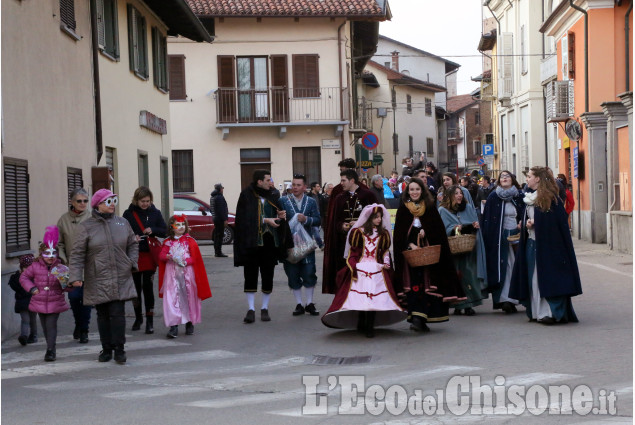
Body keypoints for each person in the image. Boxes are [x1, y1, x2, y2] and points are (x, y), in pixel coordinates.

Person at [69, 189, 138, 364]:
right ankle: (107, 348)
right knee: (102, 314)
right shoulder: (86, 227)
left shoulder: (123, 223)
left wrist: (131, 262)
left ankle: (119, 349)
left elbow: (132, 244)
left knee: (117, 313)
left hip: (120, 275)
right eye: (108, 201)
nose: (112, 204)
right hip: (97, 276)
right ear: (98, 205)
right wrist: (75, 276)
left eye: (113, 200)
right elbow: (77, 254)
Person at [509, 167, 582, 324]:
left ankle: (551, 312)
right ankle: (537, 312)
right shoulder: (529, 198)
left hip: (549, 247)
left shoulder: (551, 199)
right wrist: (526, 223)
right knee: (533, 279)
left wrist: (536, 223)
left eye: (529, 176)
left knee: (549, 279)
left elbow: (557, 223)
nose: (527, 179)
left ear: (538, 179)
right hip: (531, 244)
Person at [322, 204, 406, 338]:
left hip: (377, 268)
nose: (379, 219)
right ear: (369, 218)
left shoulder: (383, 234)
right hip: (361, 267)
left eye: (380, 217)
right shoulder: (359, 232)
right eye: (376, 217)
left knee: (374, 298)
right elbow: (353, 251)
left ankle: (369, 325)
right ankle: (361, 322)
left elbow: (383, 251)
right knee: (360, 298)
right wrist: (354, 265)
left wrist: (386, 263)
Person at [393, 179, 465, 332]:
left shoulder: (430, 208)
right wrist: (410, 244)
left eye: (417, 189)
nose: (414, 192)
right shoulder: (403, 209)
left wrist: (428, 232)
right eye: (411, 190)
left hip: (429, 256)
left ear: (422, 191)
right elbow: (398, 236)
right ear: (407, 192)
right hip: (410, 257)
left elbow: (438, 232)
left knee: (428, 286)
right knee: (414, 286)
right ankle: (417, 318)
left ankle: (424, 318)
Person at [233, 169, 292, 324]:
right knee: (250, 274)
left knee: (268, 274)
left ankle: (265, 308)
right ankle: (251, 309)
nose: (270, 182)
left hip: (270, 242)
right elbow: (244, 218)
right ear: (259, 181)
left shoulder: (273, 195)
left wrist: (280, 216)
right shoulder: (246, 194)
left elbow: (278, 213)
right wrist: (266, 220)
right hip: (252, 242)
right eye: (268, 180)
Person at [20, 227, 75, 361]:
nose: (50, 257)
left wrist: (68, 285)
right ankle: (50, 345)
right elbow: (23, 278)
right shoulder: (35, 266)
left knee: (51, 325)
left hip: (55, 301)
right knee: (44, 326)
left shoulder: (61, 267)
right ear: (41, 254)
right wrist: (32, 288)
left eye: (53, 253)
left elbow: (67, 287)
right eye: (47, 253)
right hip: (39, 300)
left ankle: (51, 350)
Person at [322, 169, 377, 294]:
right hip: (344, 243)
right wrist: (343, 226)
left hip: (365, 243)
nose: (341, 183)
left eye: (343, 180)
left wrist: (360, 224)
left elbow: (377, 218)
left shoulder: (368, 195)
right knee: (346, 271)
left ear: (352, 180)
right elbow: (335, 221)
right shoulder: (339, 198)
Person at [158, 215, 212, 338]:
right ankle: (174, 326)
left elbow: (195, 258)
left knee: (189, 297)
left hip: (188, 274)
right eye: (178, 225)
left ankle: (189, 322)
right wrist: (170, 257)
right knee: (172, 299)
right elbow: (161, 256)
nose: (181, 227)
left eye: (183, 225)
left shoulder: (190, 241)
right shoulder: (168, 242)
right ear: (172, 227)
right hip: (172, 275)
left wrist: (185, 260)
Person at [123, 187, 167, 334]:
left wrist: (152, 230)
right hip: (134, 254)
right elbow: (122, 233)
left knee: (148, 287)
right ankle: (138, 317)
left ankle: (149, 320)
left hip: (149, 255)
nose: (145, 204)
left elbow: (165, 230)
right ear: (136, 200)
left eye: (148, 201)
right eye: (142, 201)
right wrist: (132, 238)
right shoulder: (128, 214)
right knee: (135, 289)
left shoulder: (155, 213)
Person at [438, 186, 488, 316]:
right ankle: (457, 305)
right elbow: (443, 229)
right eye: (456, 193)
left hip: (468, 247)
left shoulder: (468, 208)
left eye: (461, 193)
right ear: (449, 196)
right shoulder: (443, 210)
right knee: (456, 275)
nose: (459, 196)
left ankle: (469, 304)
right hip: (452, 249)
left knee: (469, 275)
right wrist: (454, 228)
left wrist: (474, 226)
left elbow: (473, 224)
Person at [482, 171, 524, 313]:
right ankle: (505, 299)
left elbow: (525, 214)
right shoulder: (494, 196)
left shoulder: (519, 196)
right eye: (502, 177)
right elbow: (487, 219)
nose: (504, 178)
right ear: (499, 181)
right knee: (503, 267)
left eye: (507, 176)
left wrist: (521, 225)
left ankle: (517, 297)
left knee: (516, 266)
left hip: (516, 235)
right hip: (499, 237)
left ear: (512, 179)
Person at [280, 175, 321, 316]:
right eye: (293, 184)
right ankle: (299, 304)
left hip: (307, 243)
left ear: (304, 187)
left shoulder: (310, 201)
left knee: (309, 272)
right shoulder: (283, 201)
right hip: (289, 244)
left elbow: (317, 219)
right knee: (292, 273)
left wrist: (306, 219)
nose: (295, 187)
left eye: (298, 185)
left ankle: (309, 303)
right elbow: (278, 220)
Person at [56, 188, 92, 343]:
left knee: (86, 299)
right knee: (74, 297)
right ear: (72, 202)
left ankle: (84, 329)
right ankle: (78, 323)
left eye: (85, 201)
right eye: (79, 201)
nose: (82, 203)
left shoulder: (92, 218)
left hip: (89, 265)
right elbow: (59, 243)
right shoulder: (63, 220)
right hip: (71, 266)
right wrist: (64, 260)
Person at [8, 254, 37, 346]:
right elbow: (15, 286)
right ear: (22, 267)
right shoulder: (17, 277)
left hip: (33, 302)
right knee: (25, 319)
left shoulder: (35, 277)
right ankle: (24, 336)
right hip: (22, 303)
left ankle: (33, 335)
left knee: (32, 319)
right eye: (26, 268)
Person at [210, 183, 229, 257]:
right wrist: (225, 219)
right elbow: (222, 210)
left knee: (216, 235)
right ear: (220, 189)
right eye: (222, 188)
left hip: (215, 218)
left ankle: (217, 251)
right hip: (219, 219)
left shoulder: (212, 197)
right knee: (220, 236)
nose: (223, 190)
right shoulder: (219, 197)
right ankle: (219, 252)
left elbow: (211, 209)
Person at [307, 181, 326, 249]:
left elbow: (323, 206)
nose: (319, 188)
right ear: (313, 187)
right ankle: (321, 245)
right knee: (316, 232)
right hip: (311, 217)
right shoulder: (308, 196)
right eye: (318, 186)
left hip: (320, 216)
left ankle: (318, 245)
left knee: (316, 231)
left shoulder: (320, 196)